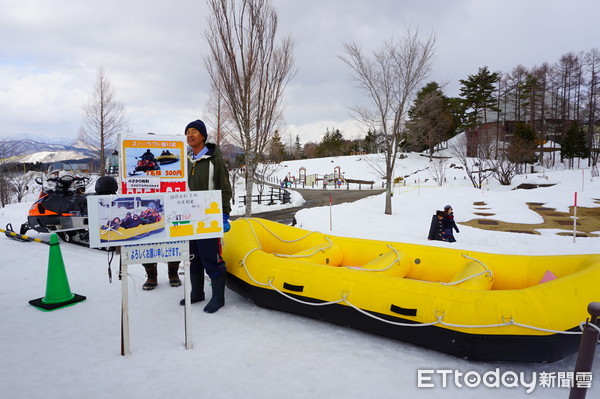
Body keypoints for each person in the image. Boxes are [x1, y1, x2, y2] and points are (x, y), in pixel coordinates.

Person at [182, 119, 233, 313]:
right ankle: (197, 293)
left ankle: (218, 298)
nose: (190, 134)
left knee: (211, 257)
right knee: (193, 256)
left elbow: (225, 189)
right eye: (187, 132)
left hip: (208, 216)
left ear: (203, 136)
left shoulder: (214, 160)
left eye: (194, 131)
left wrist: (224, 215)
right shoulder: (185, 161)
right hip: (188, 215)